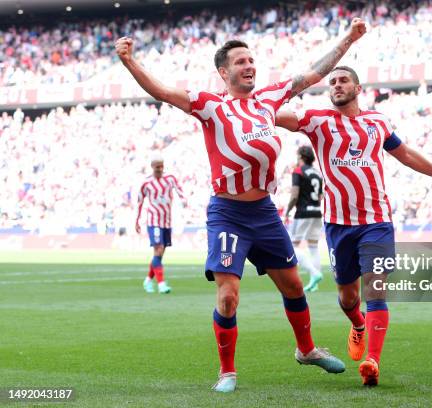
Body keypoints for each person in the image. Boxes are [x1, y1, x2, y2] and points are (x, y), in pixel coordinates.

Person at [115, 18, 367, 392]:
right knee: (229, 296)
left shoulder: (268, 99)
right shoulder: (210, 104)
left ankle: (307, 349)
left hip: (264, 212)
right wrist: (129, 61)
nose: (249, 66)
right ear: (223, 71)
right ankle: (227, 372)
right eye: (240, 61)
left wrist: (349, 37)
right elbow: (164, 92)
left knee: (295, 287)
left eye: (251, 60)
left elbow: (314, 73)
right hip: (228, 213)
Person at [276, 66, 432, 386]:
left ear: (358, 88)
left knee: (375, 288)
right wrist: (249, 103)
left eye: (343, 80)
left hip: (376, 221)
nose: (336, 85)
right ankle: (359, 324)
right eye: (332, 82)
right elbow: (277, 115)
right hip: (338, 225)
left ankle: (372, 361)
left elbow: (403, 153)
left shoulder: (377, 122)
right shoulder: (318, 120)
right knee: (348, 297)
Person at [136, 156, 186, 294]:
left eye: (161, 166)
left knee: (159, 254)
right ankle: (161, 284)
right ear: (152, 167)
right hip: (154, 221)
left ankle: (147, 280)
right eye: (157, 166)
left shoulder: (170, 178)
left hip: (167, 221)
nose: (160, 169)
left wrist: (184, 200)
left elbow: (179, 189)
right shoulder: (146, 183)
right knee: (158, 250)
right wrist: (137, 220)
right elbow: (139, 202)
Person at [285, 145, 325, 292]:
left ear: (301, 156)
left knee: (292, 247)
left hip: (303, 213)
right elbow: (321, 196)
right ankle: (315, 284)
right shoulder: (317, 173)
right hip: (316, 212)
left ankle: (314, 274)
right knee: (313, 247)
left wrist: (288, 211)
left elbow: (295, 195)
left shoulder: (298, 171)